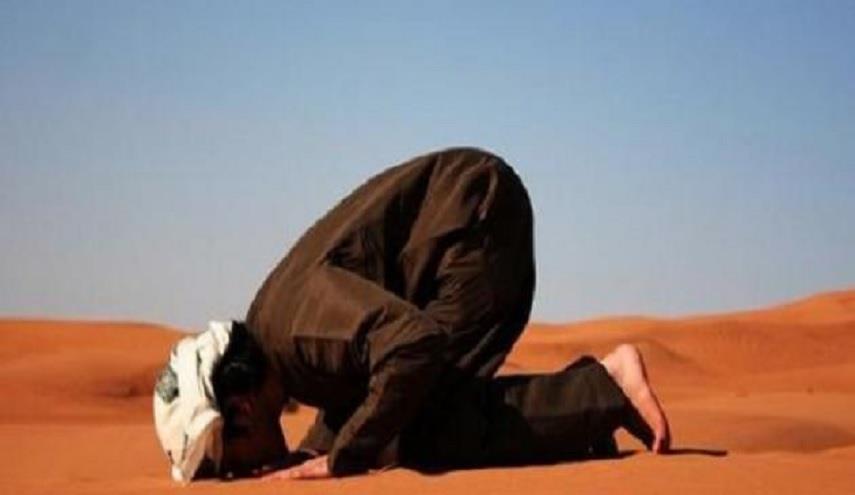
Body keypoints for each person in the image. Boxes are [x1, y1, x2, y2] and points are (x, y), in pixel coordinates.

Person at [152, 147, 671, 483]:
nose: (239, 474)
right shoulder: (283, 342)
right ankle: (582, 417)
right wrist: (315, 451)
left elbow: (409, 345)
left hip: (475, 224)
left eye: (226, 466)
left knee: (420, 431)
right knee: (395, 418)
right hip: (465, 222)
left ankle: (608, 388)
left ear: (241, 410)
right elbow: (359, 380)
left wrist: (342, 458)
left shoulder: (294, 332)